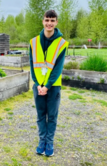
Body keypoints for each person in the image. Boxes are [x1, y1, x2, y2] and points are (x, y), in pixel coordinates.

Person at [29, 10, 69, 157]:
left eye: (52, 20)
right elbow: (32, 65)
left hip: (53, 87)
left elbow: (58, 69)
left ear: (56, 22)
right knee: (40, 115)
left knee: (51, 116)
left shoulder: (62, 44)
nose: (49, 23)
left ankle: (49, 143)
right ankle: (42, 142)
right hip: (38, 86)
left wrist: (47, 86)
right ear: (43, 21)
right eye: (47, 20)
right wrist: (38, 84)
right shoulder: (33, 42)